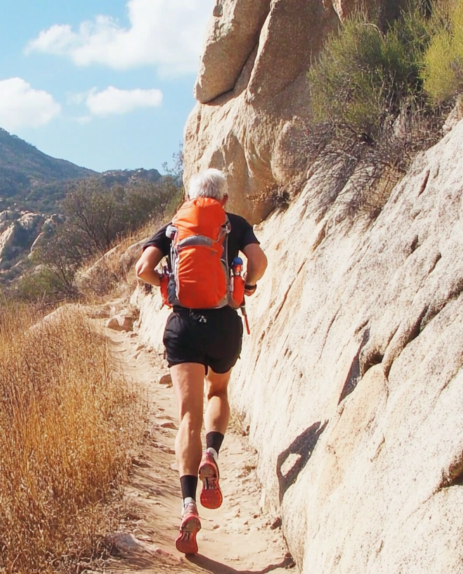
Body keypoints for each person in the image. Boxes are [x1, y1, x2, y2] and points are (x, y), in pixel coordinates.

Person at [134, 168, 268, 555]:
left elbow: (143, 268)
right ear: (223, 199)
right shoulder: (235, 223)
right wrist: (249, 286)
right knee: (219, 391)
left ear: (191, 198)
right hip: (224, 323)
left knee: (187, 416)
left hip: (184, 326)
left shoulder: (173, 227)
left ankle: (188, 502)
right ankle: (212, 452)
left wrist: (166, 285)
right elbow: (258, 262)